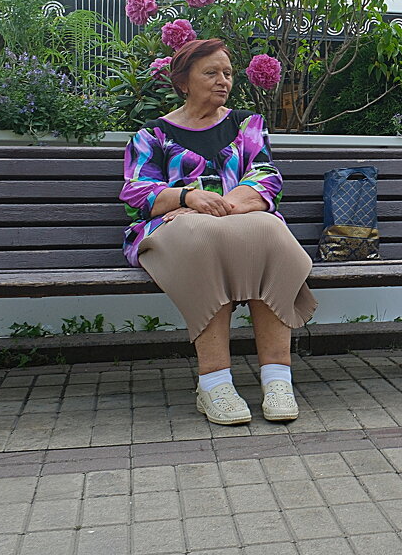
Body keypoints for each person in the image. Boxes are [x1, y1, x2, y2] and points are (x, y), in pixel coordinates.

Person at [120, 39, 316, 425]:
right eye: (210, 73)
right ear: (183, 82)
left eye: (227, 73)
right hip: (172, 229)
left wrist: (233, 204)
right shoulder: (151, 135)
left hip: (238, 221)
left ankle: (277, 377)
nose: (222, 80)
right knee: (202, 238)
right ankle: (214, 382)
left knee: (269, 235)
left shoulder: (246, 124)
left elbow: (265, 173)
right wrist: (189, 199)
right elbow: (136, 192)